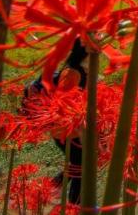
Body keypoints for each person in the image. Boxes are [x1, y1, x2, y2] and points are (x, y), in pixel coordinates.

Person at [24, 39, 88, 204]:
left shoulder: (78, 69)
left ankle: (47, 191)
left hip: (68, 129)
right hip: (67, 131)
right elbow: (61, 103)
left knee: (77, 165)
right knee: (81, 168)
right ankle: (74, 205)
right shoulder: (73, 72)